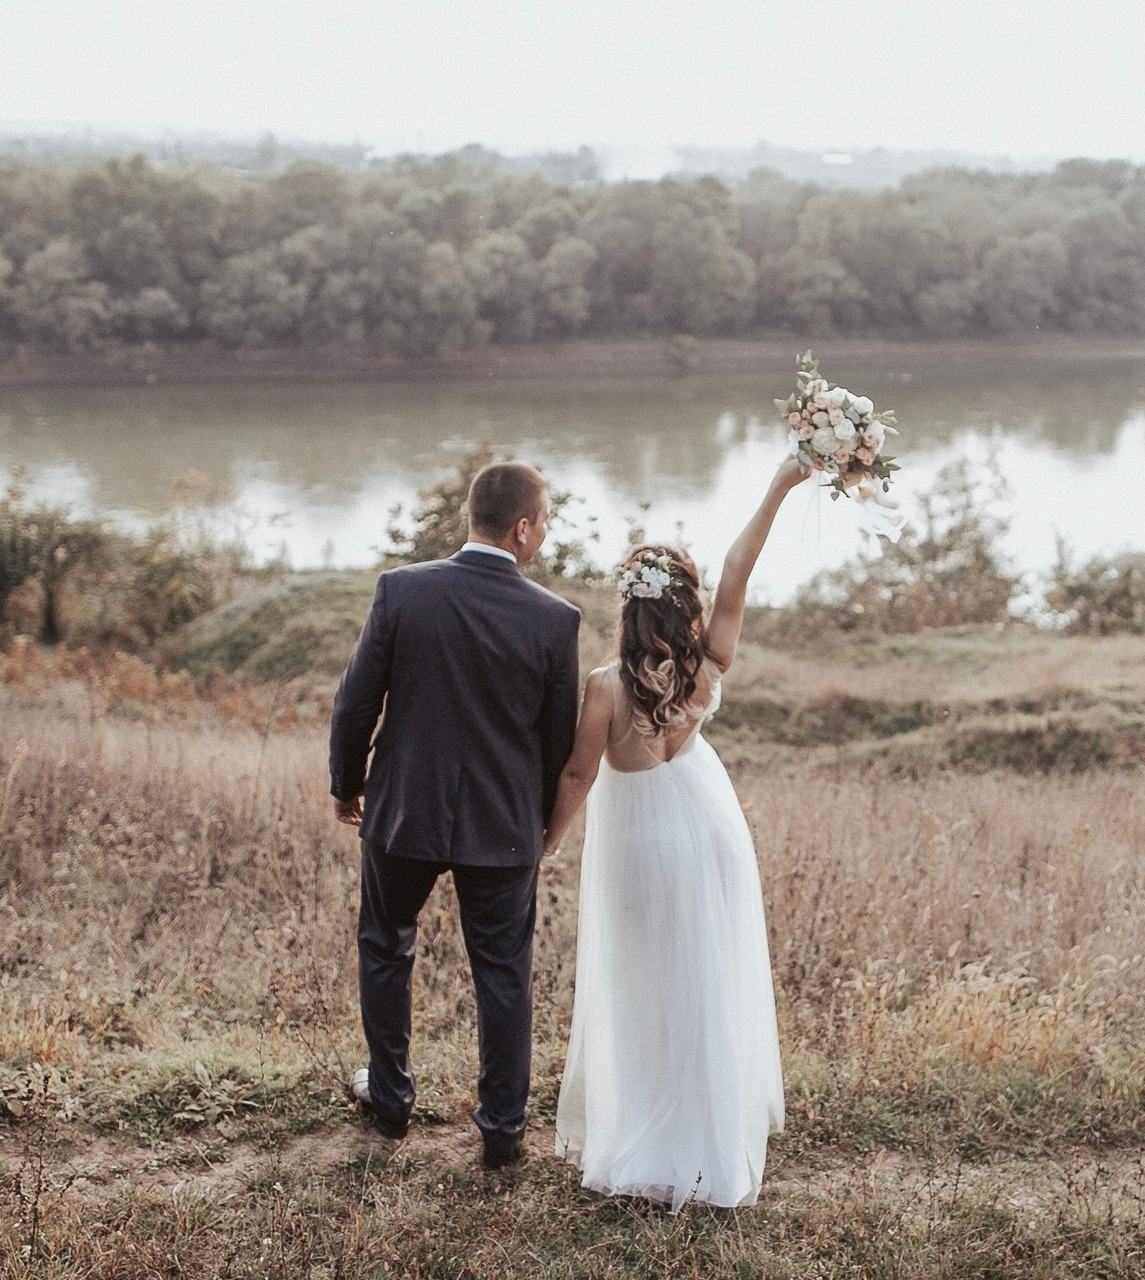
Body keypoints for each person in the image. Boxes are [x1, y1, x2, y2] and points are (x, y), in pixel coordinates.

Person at [544, 454, 810, 1209]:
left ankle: (650, 1135)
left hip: (640, 842)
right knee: (706, 979)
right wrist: (782, 483)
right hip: (708, 825)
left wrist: (547, 841)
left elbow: (575, 777)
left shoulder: (604, 687)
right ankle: (711, 1138)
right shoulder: (706, 665)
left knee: (644, 983)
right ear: (683, 605)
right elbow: (739, 565)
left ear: (627, 608)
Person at [329, 460, 581, 1168]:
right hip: (503, 830)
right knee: (504, 971)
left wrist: (347, 782)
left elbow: (354, 702)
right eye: (545, 520)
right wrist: (539, 825)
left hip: (403, 811)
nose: (544, 533)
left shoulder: (402, 591)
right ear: (522, 528)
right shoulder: (555, 619)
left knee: (386, 943)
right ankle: (502, 1130)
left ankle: (390, 1097)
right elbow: (557, 742)